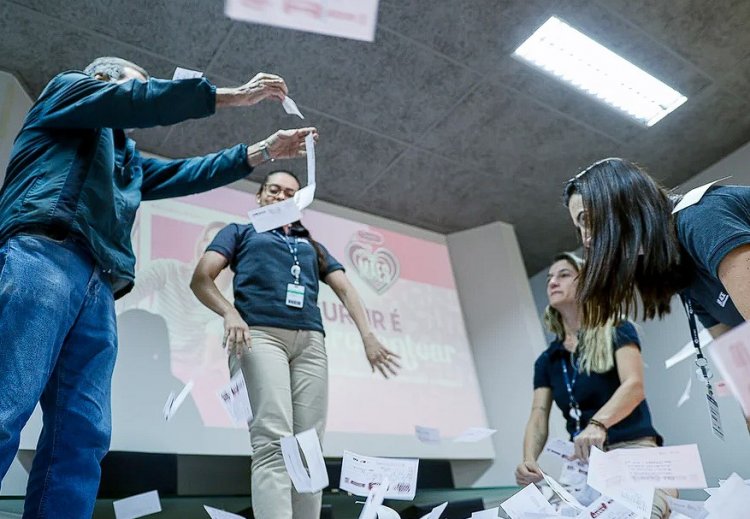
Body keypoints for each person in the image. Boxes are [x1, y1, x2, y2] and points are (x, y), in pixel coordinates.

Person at [0, 56, 317, 518]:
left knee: (84, 434)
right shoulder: (67, 90)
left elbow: (189, 174)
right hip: (44, 254)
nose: (144, 93)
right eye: (139, 85)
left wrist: (264, 150)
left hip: (100, 285)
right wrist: (233, 96)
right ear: (103, 79)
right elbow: (132, 100)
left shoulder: (127, 161)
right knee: (8, 399)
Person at [191, 169, 401, 519]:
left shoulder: (311, 246)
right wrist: (229, 313)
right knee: (273, 441)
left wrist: (368, 336)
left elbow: (346, 289)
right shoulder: (239, 232)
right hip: (259, 335)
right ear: (259, 196)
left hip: (310, 342)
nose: (281, 196)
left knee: (310, 448)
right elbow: (201, 278)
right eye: (274, 190)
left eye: (290, 193)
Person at [516, 252, 675, 518]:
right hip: (581, 463)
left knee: (642, 512)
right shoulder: (547, 360)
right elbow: (539, 414)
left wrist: (598, 424)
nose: (553, 282)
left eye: (564, 275)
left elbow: (634, 386)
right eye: (549, 278)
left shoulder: (617, 329)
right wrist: (529, 459)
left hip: (633, 450)